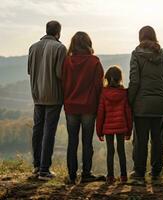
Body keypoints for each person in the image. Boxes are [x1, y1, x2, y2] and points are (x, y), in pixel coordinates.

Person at [128, 26, 163, 180]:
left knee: (140, 139)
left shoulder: (136, 54)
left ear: (140, 37)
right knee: (157, 138)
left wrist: (130, 101)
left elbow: (134, 81)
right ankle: (156, 171)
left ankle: (139, 171)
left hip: (142, 104)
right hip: (160, 103)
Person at [62, 31, 104, 184]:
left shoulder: (67, 62)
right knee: (87, 142)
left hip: (71, 106)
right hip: (89, 107)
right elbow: (99, 86)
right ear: (88, 43)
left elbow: (63, 83)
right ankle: (86, 174)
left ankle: (72, 176)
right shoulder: (94, 62)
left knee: (72, 142)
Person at [28, 20, 67, 180]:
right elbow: (60, 73)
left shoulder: (33, 47)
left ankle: (37, 166)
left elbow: (30, 71)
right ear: (58, 32)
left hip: (37, 94)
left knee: (37, 130)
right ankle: (45, 170)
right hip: (54, 96)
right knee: (49, 131)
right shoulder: (60, 48)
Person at [96, 66, 133, 184]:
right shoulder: (124, 93)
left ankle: (110, 176)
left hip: (108, 127)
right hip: (121, 126)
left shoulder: (103, 93)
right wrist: (129, 130)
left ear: (106, 78)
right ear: (120, 79)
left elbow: (100, 113)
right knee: (121, 151)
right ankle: (123, 176)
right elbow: (128, 113)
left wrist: (99, 131)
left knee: (110, 151)